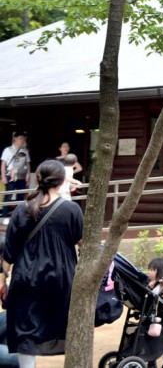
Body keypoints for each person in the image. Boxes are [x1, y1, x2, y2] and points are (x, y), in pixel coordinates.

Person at [0, 159, 84, 366]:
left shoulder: (22, 209)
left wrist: (3, 280)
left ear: (37, 178)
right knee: (60, 323)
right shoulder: (71, 209)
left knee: (25, 331)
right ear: (63, 180)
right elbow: (84, 244)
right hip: (61, 280)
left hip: (26, 278)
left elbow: (9, 252)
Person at [1, 132, 31, 220]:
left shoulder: (25, 151)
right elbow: (3, 163)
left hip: (22, 176)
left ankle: (19, 216)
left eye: (23, 138)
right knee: (8, 195)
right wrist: (3, 176)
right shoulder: (8, 150)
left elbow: (28, 163)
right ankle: (5, 215)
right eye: (21, 138)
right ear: (15, 138)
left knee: (20, 197)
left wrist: (28, 175)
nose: (22, 140)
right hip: (10, 176)